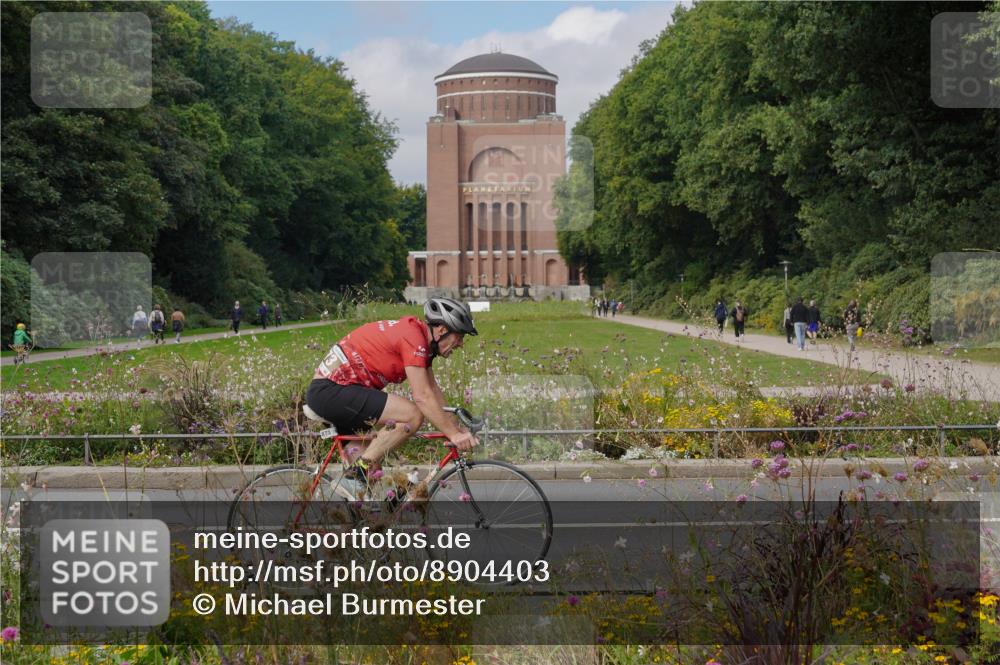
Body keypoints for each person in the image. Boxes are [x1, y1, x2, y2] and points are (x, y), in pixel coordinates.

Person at [305, 297, 479, 498]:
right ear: (441, 330)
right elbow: (422, 397)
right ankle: (356, 475)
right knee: (412, 415)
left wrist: (456, 429)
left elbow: (432, 391)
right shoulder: (413, 339)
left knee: (374, 470)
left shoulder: (420, 340)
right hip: (330, 390)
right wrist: (455, 435)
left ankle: (359, 518)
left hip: (340, 392)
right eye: (459, 337)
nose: (461, 344)